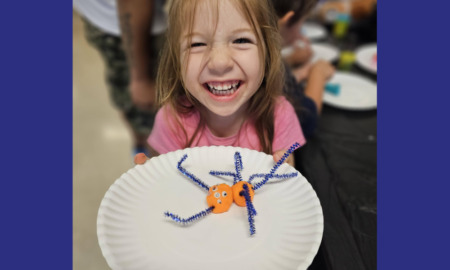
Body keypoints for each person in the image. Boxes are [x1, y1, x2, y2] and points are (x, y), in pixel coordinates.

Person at [135, 0, 306, 167]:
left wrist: (284, 175)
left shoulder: (280, 117)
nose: (219, 63)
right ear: (176, 60)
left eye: (241, 40)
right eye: (197, 44)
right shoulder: (172, 121)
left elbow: (286, 186)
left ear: (267, 52)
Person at [73, 0, 168, 155]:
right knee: (139, 110)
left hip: (127, 28)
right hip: (120, 26)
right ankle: (144, 153)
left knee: (144, 113)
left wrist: (140, 78)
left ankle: (146, 155)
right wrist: (140, 78)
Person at [270, 0, 335, 138]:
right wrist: (318, 74)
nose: (301, 35)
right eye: (302, 23)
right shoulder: (269, 65)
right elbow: (304, 121)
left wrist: (293, 65)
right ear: (285, 21)